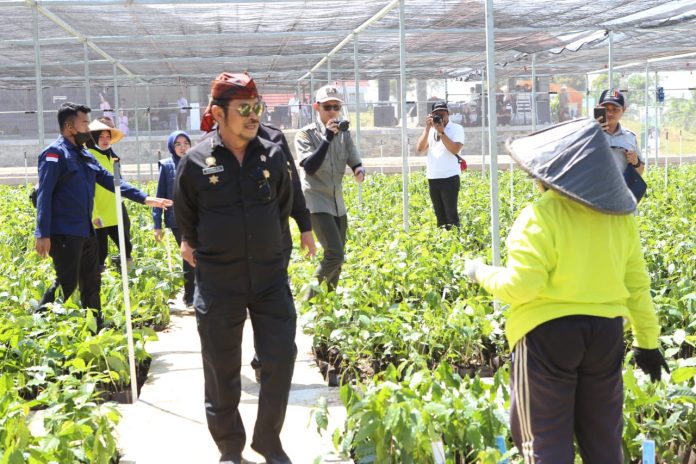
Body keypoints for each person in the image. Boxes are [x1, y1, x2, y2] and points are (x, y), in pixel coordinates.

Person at [463, 118, 667, 463]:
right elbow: (637, 285)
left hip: (546, 338)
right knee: (603, 440)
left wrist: (480, 271)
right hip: (604, 335)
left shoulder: (540, 215)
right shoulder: (619, 217)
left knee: (543, 442)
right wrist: (648, 341)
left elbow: (521, 286)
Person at [176, 72, 296, 464]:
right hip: (218, 282)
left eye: (257, 107)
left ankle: (269, 442)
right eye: (244, 109)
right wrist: (195, 245)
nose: (253, 116)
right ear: (217, 113)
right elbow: (185, 216)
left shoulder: (273, 154)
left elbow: (282, 208)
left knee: (280, 359)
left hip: (269, 279)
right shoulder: (196, 162)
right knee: (221, 370)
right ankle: (230, 447)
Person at [34, 102, 172, 329]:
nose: (89, 129)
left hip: (86, 230)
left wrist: (145, 198)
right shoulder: (55, 154)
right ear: (69, 126)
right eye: (85, 123)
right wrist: (42, 232)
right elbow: (44, 195)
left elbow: (110, 180)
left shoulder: (84, 155)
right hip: (64, 233)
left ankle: (94, 326)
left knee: (92, 279)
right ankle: (40, 324)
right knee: (66, 283)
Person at [295, 85, 365, 297]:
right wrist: (327, 137)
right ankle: (310, 301)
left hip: (337, 201)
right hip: (316, 201)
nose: (333, 112)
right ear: (317, 107)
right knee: (334, 254)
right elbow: (309, 166)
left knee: (339, 258)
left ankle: (328, 304)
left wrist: (358, 169)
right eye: (328, 107)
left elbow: (353, 157)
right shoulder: (305, 134)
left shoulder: (344, 134)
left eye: (336, 107)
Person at [153, 130, 195, 307]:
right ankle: (190, 296)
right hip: (177, 220)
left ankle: (201, 293)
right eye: (178, 144)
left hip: (198, 218)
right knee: (189, 256)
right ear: (172, 146)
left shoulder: (197, 163)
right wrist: (157, 225)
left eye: (185, 143)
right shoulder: (167, 166)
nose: (182, 147)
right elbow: (159, 196)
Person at [85, 117, 134, 271]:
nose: (106, 140)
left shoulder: (112, 156)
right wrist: (95, 214)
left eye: (108, 137)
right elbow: (87, 189)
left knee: (126, 245)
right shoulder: (89, 157)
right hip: (99, 212)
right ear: (93, 138)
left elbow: (119, 181)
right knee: (100, 250)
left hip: (116, 209)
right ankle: (99, 281)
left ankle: (125, 275)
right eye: (101, 137)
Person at [416, 101, 465, 229]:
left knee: (451, 215)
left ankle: (455, 241)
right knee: (439, 216)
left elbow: (454, 149)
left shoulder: (456, 128)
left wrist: (442, 132)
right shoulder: (430, 130)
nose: (439, 116)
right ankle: (443, 241)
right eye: (436, 114)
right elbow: (420, 149)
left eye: (442, 112)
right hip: (433, 177)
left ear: (448, 113)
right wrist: (427, 129)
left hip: (450, 176)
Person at [596, 89, 645, 176]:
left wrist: (636, 162)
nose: (610, 113)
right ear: (598, 108)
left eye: (615, 109)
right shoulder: (590, 135)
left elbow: (640, 172)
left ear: (624, 109)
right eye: (606, 109)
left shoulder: (630, 137)